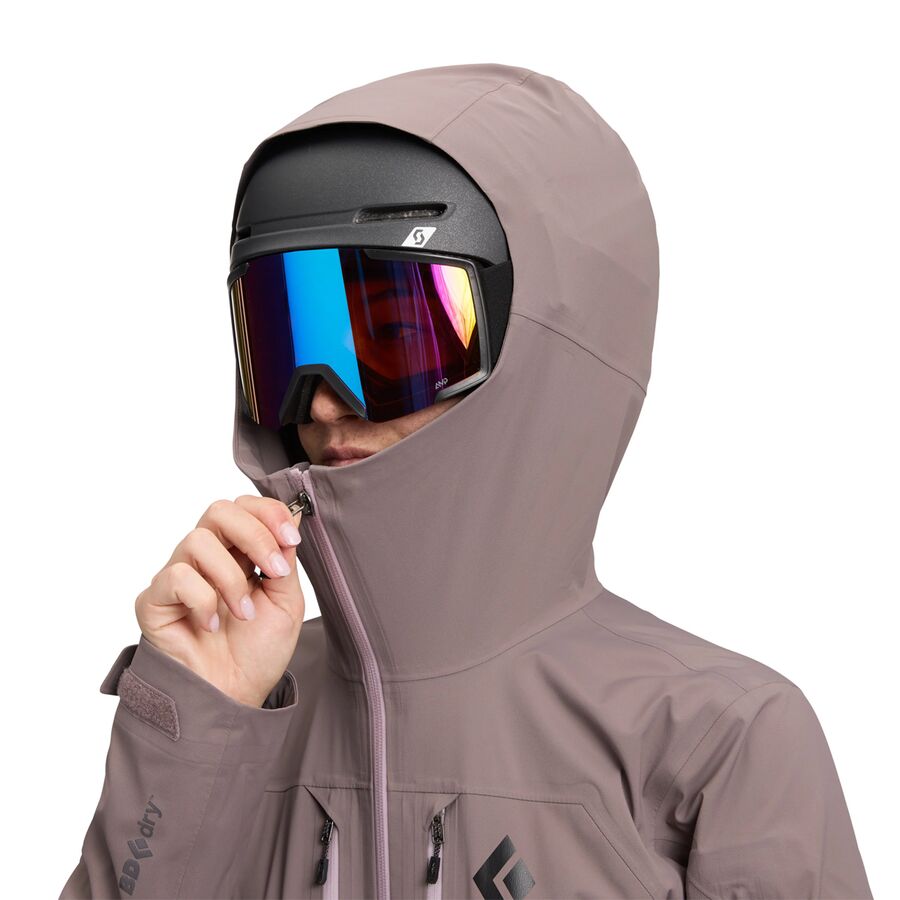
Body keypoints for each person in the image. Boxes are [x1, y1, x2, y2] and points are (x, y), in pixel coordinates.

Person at [61, 63, 872, 900]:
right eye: (287, 346)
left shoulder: (719, 738)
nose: (326, 403)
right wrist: (195, 724)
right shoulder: (239, 703)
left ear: (540, 354)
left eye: (393, 340)